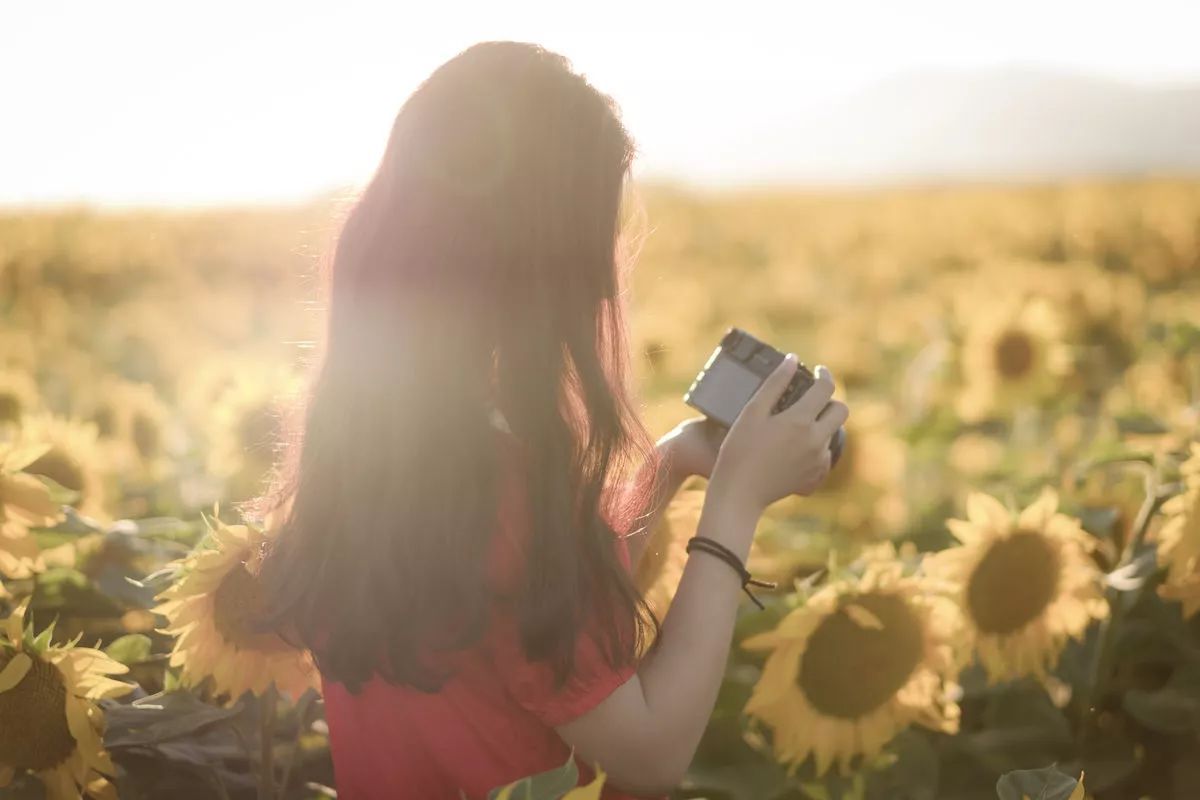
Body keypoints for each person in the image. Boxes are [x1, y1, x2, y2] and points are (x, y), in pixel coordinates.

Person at [256, 40, 848, 800]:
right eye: (590, 240)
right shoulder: (509, 491)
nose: (605, 281)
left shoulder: (372, 452)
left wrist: (665, 469)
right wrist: (735, 503)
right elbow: (652, 751)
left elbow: (514, 620)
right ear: (530, 260)